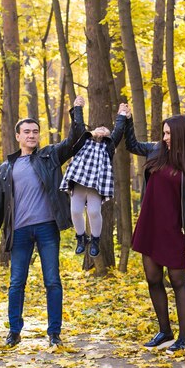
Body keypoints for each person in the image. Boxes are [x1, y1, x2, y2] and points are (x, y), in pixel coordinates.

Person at [0, 95, 86, 348]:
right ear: (17, 136)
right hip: (18, 232)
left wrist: (77, 111)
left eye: (35, 131)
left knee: (52, 280)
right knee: (17, 282)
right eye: (26, 131)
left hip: (47, 228)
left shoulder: (49, 156)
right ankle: (14, 332)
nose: (31, 135)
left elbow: (75, 140)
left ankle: (54, 334)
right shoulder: (6, 168)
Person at [124, 106, 185, 353]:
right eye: (163, 133)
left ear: (181, 134)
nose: (165, 138)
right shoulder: (156, 150)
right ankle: (165, 331)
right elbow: (131, 144)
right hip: (149, 224)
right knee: (152, 278)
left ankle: (184, 339)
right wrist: (128, 120)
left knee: (178, 281)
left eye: (169, 133)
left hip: (174, 229)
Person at [59, 105, 128, 257]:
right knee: (75, 211)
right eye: (99, 128)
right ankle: (81, 237)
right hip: (79, 181)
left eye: (106, 130)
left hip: (97, 184)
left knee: (94, 211)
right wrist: (77, 107)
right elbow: (80, 126)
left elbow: (118, 131)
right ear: (92, 131)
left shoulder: (108, 145)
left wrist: (122, 114)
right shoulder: (84, 140)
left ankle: (95, 240)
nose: (102, 130)